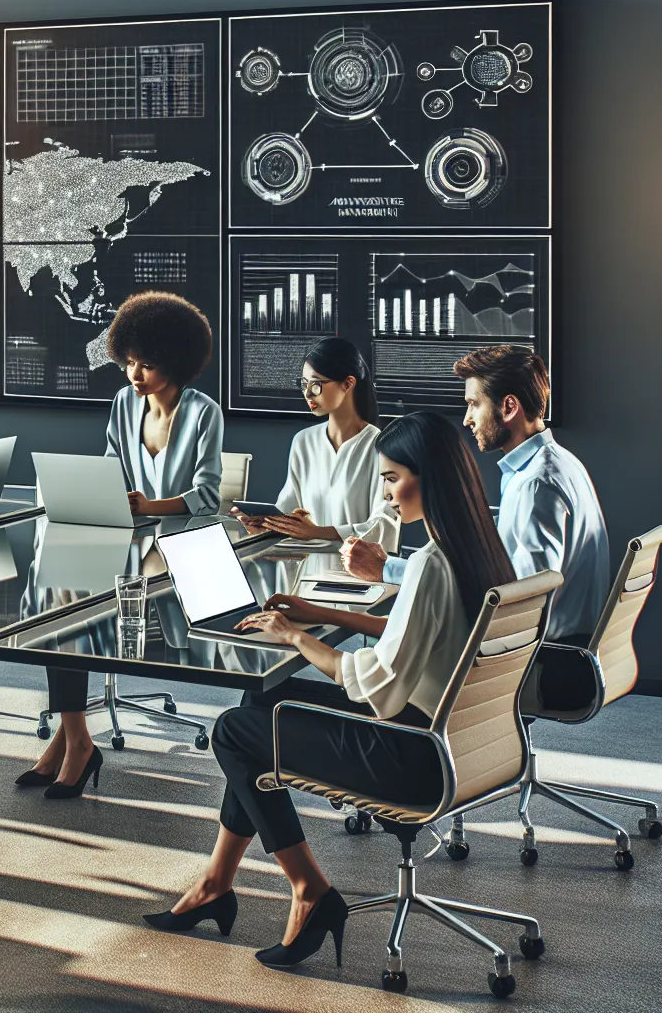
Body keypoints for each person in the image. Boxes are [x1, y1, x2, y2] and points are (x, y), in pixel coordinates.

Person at [145, 411, 516, 972]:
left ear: (430, 479)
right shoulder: (477, 551)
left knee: (233, 732)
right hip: (459, 742)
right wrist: (318, 613)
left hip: (410, 756)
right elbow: (416, 636)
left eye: (392, 478)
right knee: (263, 703)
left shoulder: (431, 567)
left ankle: (309, 891)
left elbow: (380, 686)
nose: (387, 495)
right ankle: (216, 883)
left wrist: (295, 636)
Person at [19, 291, 221, 800]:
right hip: (125, 533)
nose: (134, 375)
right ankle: (75, 737)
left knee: (80, 604)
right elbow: (111, 467)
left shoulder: (203, 413)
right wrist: (109, 498)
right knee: (57, 590)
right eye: (128, 362)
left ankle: (71, 742)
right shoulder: (122, 404)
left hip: (177, 541)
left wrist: (150, 506)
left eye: (146, 364)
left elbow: (208, 496)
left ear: (175, 361)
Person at [342, 346, 610, 647]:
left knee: (402, 647)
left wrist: (388, 569)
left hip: (544, 659)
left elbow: (522, 599)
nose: (467, 419)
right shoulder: (557, 463)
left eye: (473, 404)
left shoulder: (536, 484)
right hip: (562, 646)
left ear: (508, 407)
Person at [235, 338, 399, 552]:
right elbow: (288, 509)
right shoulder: (303, 442)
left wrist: (317, 532)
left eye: (316, 384)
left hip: (357, 576)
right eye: (303, 384)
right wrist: (265, 525)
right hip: (306, 573)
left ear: (348, 383)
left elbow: (384, 526)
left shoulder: (381, 447)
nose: (308, 393)